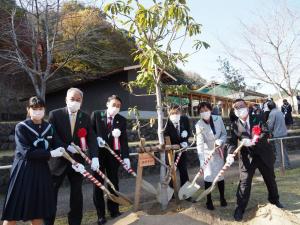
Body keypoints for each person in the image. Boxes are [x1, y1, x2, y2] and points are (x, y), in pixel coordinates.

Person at [1, 96, 65, 225]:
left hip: (41, 171)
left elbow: (57, 143)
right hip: (23, 171)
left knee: (38, 209)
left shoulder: (49, 127)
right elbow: (26, 152)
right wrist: (50, 153)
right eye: (34, 109)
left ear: (44, 110)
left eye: (40, 109)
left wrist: (66, 149)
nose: (38, 111)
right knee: (13, 210)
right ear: (28, 109)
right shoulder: (21, 127)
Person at [45, 88, 98, 225]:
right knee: (51, 194)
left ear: (82, 101)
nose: (75, 102)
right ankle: (48, 221)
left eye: (78, 100)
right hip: (58, 161)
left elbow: (91, 138)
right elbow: (52, 135)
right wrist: (66, 146)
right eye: (72, 99)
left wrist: (95, 157)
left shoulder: (85, 117)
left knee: (76, 194)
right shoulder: (55, 114)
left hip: (77, 162)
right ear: (66, 100)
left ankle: (75, 222)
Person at [227, 99, 283, 221]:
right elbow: (231, 142)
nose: (239, 109)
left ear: (246, 107)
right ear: (234, 111)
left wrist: (253, 140)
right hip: (247, 157)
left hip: (263, 154)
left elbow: (266, 132)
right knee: (244, 183)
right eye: (236, 107)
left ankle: (275, 200)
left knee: (270, 178)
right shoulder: (234, 124)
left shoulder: (258, 117)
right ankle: (240, 208)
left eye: (241, 106)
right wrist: (230, 154)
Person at [91, 95, 130, 225]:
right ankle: (100, 215)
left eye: (118, 106)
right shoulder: (96, 115)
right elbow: (89, 133)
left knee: (114, 183)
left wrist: (126, 157)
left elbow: (124, 140)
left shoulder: (121, 119)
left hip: (113, 156)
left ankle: (114, 211)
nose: (116, 108)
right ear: (107, 104)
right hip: (98, 156)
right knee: (98, 185)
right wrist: (96, 140)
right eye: (114, 104)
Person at [195, 102, 227, 210]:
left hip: (218, 152)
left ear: (210, 109)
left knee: (220, 175)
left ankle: (222, 198)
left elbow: (224, 133)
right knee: (208, 177)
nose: (204, 112)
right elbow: (199, 143)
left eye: (206, 109)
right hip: (207, 153)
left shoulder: (218, 119)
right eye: (201, 111)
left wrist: (220, 141)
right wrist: (201, 161)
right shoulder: (199, 124)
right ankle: (209, 200)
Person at [164, 105, 190, 188]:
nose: (175, 114)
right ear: (169, 113)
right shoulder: (166, 123)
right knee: (170, 171)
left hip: (182, 150)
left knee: (183, 170)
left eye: (177, 112)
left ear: (180, 112)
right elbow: (165, 138)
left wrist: (185, 140)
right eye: (172, 113)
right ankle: (171, 193)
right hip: (170, 152)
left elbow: (188, 131)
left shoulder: (184, 119)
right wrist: (176, 145)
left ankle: (185, 192)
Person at [267, 101, 291, 169]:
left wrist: (268, 129)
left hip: (278, 134)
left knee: (279, 151)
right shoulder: (279, 111)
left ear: (269, 107)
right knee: (284, 150)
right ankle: (287, 164)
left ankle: (283, 166)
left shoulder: (272, 113)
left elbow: (270, 126)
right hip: (284, 132)